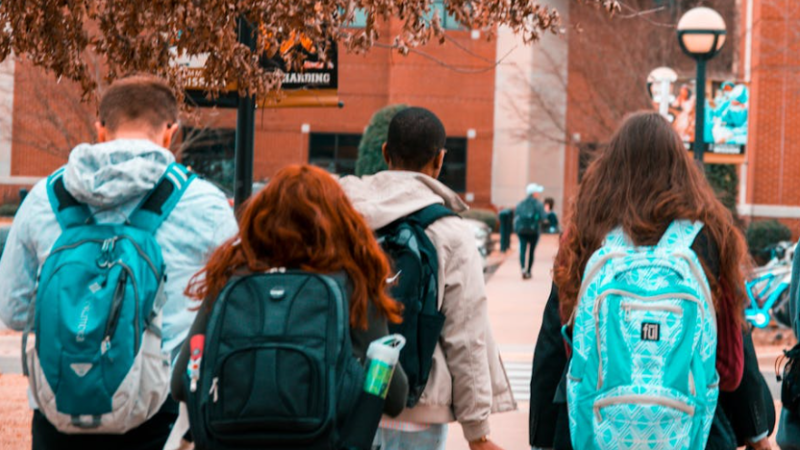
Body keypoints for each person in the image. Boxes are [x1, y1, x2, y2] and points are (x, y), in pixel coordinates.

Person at [0, 74, 238, 450]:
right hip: (158, 414)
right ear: (170, 132)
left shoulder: (45, 199)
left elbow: (13, 310)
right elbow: (232, 313)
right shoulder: (205, 205)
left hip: (58, 410)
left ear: (100, 128)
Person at [529, 112, 774, 450]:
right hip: (691, 431)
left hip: (590, 429)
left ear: (610, 168)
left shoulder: (585, 236)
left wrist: (541, 436)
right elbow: (732, 364)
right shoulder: (711, 238)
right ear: (682, 170)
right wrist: (757, 430)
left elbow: (554, 345)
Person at [171, 164, 409, 448]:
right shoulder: (352, 284)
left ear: (261, 219)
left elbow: (181, 382)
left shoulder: (230, 279)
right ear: (339, 221)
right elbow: (394, 398)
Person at [340, 107, 515, 450]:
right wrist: (476, 431)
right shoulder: (450, 231)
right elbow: (467, 336)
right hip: (419, 411)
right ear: (439, 160)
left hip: (350, 401)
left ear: (385, 152)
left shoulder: (345, 217)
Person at [515, 183, 545, 280]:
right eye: (537, 192)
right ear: (534, 193)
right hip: (534, 231)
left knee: (522, 250)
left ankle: (523, 269)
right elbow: (543, 217)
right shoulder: (539, 204)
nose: (538, 194)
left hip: (522, 230)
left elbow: (516, 217)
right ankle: (529, 271)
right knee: (531, 252)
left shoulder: (520, 204)